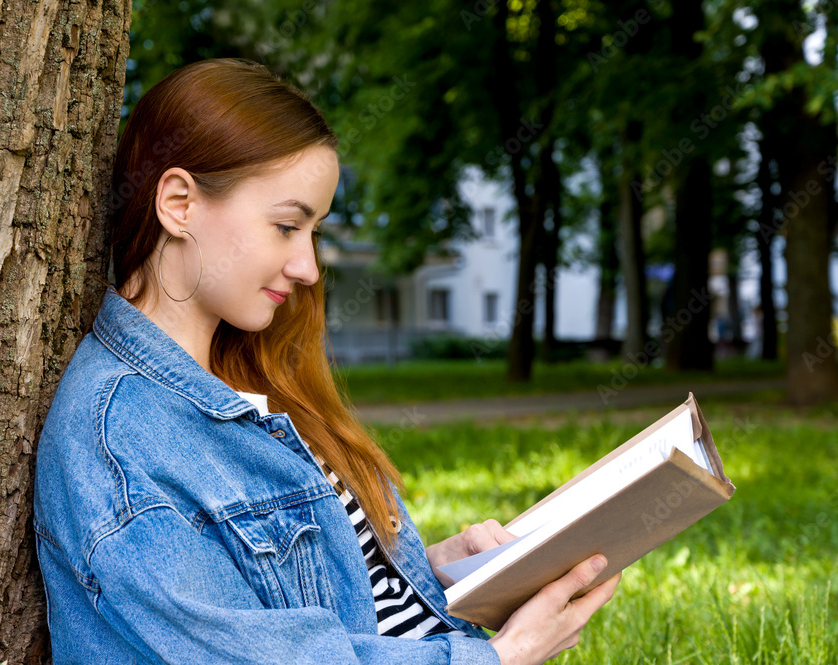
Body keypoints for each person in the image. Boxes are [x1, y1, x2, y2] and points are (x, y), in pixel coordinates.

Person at [32, 58, 621, 665]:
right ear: (179, 203)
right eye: (287, 226)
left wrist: (437, 569)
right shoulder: (116, 444)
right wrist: (507, 656)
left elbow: (316, 598)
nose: (309, 267)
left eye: (313, 231)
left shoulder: (247, 377)